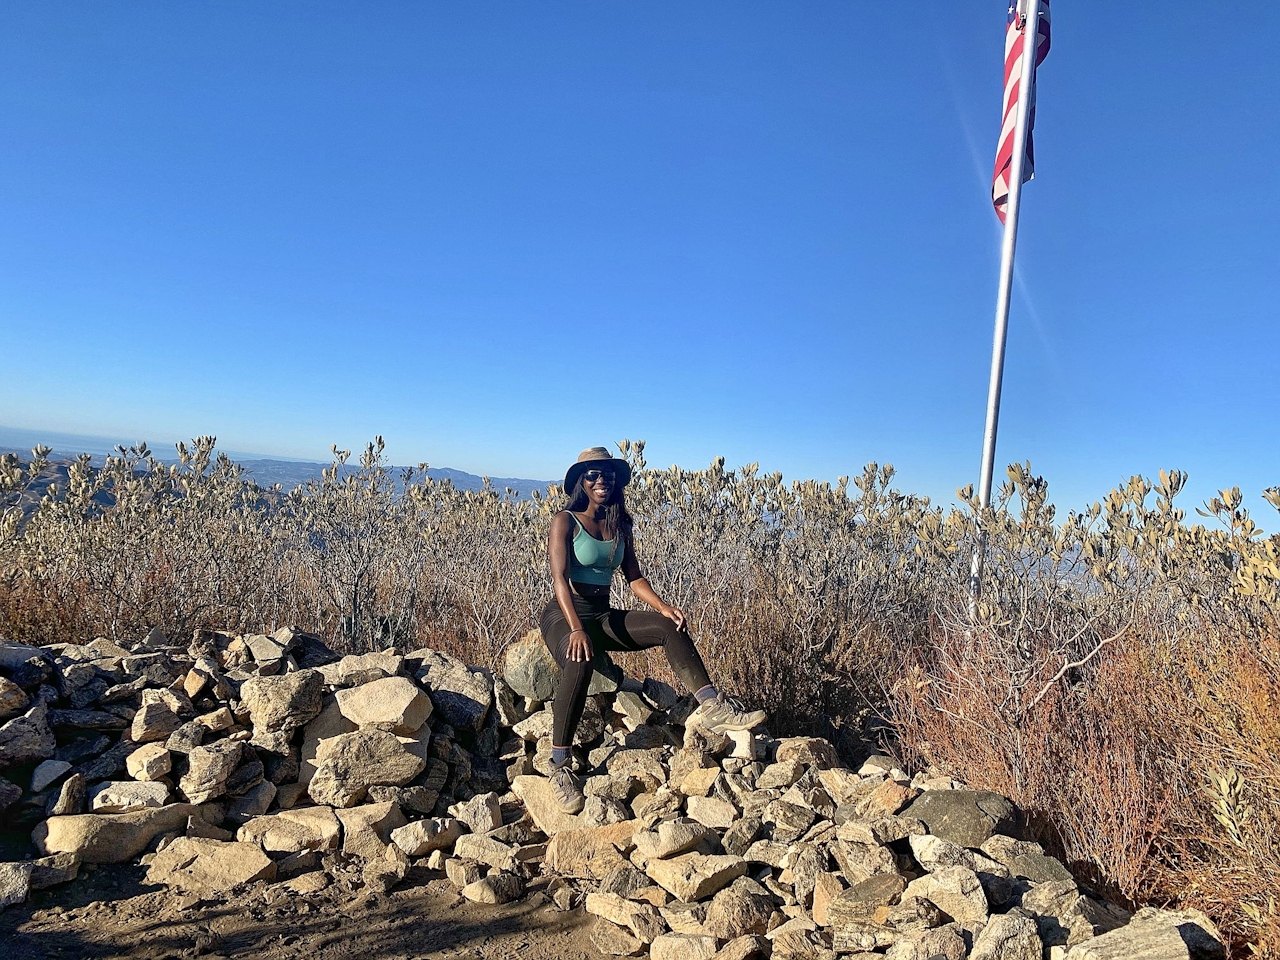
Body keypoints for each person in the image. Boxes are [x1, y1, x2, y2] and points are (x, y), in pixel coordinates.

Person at [540, 446, 767, 814]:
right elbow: (560, 580)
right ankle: (559, 764)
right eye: (594, 475)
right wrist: (576, 629)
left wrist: (662, 606)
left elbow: (634, 577)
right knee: (578, 660)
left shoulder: (619, 525)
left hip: (601, 615)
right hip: (565, 616)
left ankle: (713, 706)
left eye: (607, 475)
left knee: (668, 626)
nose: (601, 481)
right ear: (582, 481)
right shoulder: (565, 520)